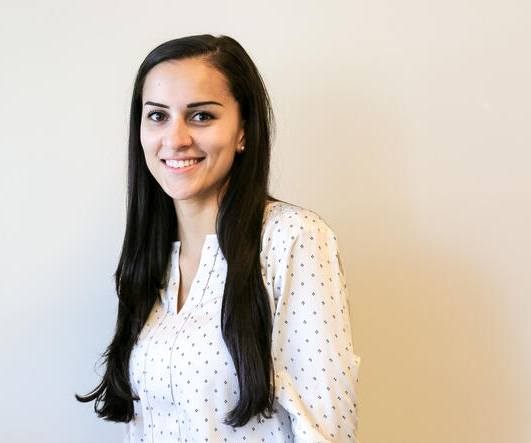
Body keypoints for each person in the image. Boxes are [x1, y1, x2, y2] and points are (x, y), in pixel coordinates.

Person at [76, 34, 362, 442]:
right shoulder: (149, 261)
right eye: (157, 116)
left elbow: (326, 429)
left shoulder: (293, 238)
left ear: (243, 129)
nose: (175, 138)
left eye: (201, 116)